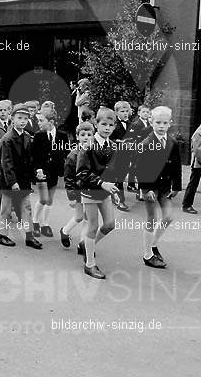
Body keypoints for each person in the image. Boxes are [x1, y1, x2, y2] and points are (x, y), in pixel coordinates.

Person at [76, 107, 121, 279]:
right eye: (104, 124)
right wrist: (103, 183)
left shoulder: (113, 146)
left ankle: (87, 245)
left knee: (109, 224)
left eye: (111, 125)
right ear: (96, 124)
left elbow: (112, 172)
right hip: (90, 190)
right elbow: (82, 173)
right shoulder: (88, 145)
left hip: (105, 191)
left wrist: (115, 191)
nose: (107, 128)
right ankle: (89, 264)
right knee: (92, 226)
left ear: (114, 126)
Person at [135, 106, 182, 269]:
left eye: (164, 123)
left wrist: (176, 186)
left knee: (168, 217)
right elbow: (139, 168)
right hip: (150, 187)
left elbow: (176, 166)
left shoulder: (173, 142)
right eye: (158, 122)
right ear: (151, 122)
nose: (161, 126)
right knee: (151, 218)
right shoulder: (146, 143)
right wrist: (145, 189)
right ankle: (147, 255)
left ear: (170, 123)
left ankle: (152, 244)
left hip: (165, 186)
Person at [0, 104, 42, 249]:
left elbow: (31, 159)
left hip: (24, 180)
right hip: (10, 181)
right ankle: (1, 235)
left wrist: (36, 172)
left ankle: (29, 236)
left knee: (27, 208)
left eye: (26, 118)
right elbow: (6, 163)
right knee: (6, 209)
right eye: (19, 118)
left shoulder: (27, 136)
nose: (23, 121)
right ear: (12, 118)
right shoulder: (6, 139)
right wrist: (13, 182)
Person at [31, 108, 69, 237]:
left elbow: (65, 153)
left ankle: (45, 224)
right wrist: (38, 170)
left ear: (51, 122)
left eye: (41, 121)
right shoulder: (38, 136)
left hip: (54, 171)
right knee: (43, 198)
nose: (39, 123)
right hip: (41, 171)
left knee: (50, 200)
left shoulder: (62, 136)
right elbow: (34, 156)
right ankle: (35, 222)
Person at [59, 121, 94, 249]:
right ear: (78, 136)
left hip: (90, 190)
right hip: (78, 191)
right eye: (83, 134)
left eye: (89, 134)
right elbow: (68, 178)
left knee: (88, 218)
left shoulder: (94, 153)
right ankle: (65, 231)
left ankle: (82, 243)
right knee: (79, 216)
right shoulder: (72, 156)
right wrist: (72, 196)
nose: (86, 137)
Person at [110, 100, 133, 211]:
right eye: (122, 111)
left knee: (121, 177)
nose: (125, 113)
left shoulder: (130, 123)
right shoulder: (113, 124)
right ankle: (121, 202)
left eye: (126, 111)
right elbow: (109, 139)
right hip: (116, 155)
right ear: (116, 112)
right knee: (119, 178)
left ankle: (112, 193)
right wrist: (119, 142)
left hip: (127, 155)